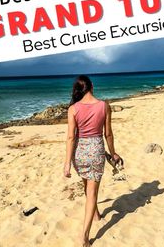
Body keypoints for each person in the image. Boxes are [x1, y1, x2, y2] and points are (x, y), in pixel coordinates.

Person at [64, 75, 122, 247]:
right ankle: (84, 236)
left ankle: (96, 214)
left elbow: (70, 137)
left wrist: (67, 163)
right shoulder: (104, 106)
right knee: (92, 192)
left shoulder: (73, 109)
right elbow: (108, 134)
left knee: (86, 186)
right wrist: (114, 153)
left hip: (79, 153)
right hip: (96, 150)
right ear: (92, 86)